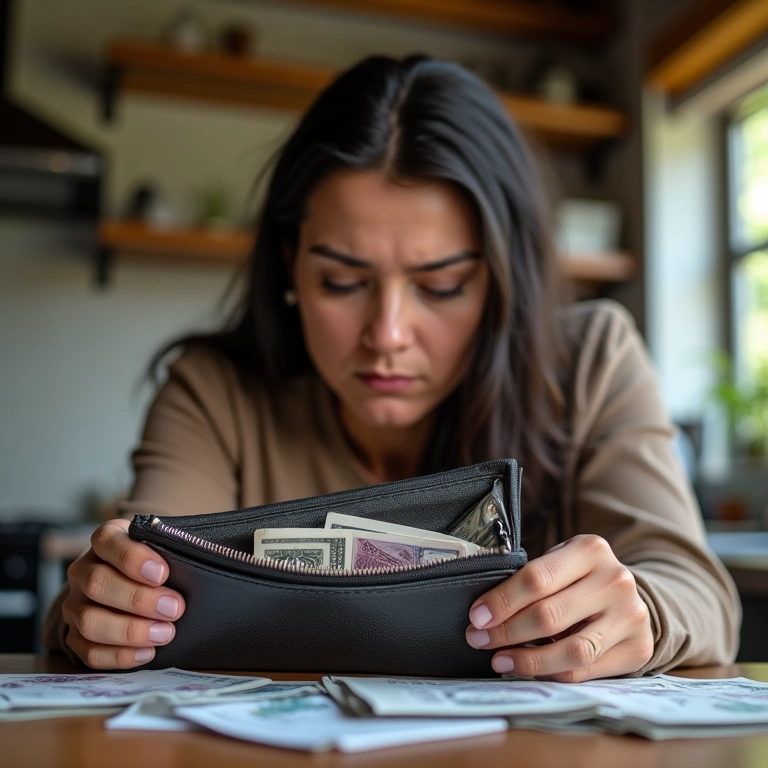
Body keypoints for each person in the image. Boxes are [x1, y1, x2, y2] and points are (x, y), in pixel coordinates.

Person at [44, 55, 740, 680]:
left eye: (442, 286)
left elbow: (698, 594)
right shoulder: (214, 389)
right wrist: (100, 610)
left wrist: (641, 613)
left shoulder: (590, 359)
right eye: (343, 282)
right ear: (290, 267)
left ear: (502, 283)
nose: (387, 335)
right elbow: (124, 590)